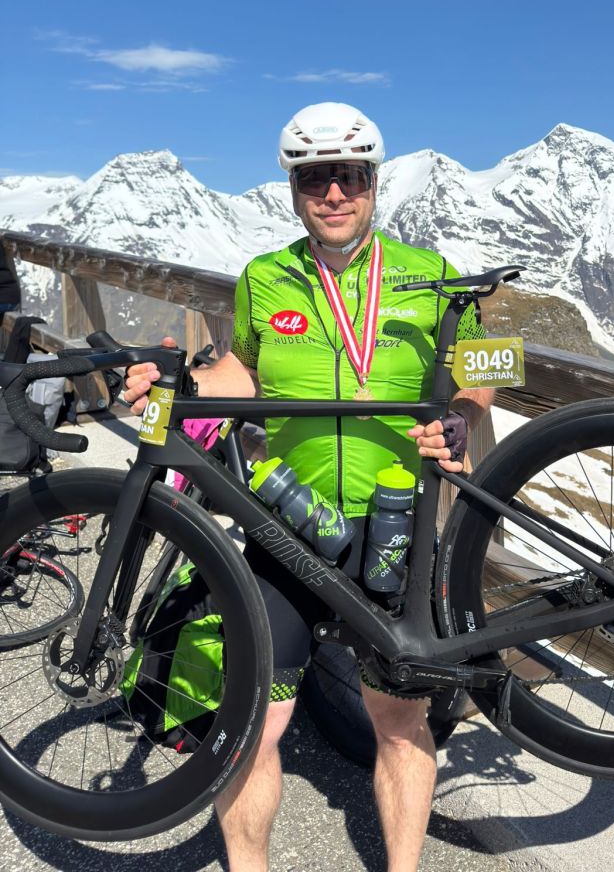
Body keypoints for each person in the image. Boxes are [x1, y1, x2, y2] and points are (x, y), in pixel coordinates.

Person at [123, 102, 494, 872]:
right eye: (315, 179)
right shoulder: (266, 278)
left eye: (349, 176)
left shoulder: (432, 274)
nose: (333, 194)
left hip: (398, 530)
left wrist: (461, 418)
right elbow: (242, 373)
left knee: (400, 723)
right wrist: (174, 387)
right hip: (285, 525)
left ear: (374, 183)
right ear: (293, 189)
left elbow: (493, 367)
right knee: (249, 725)